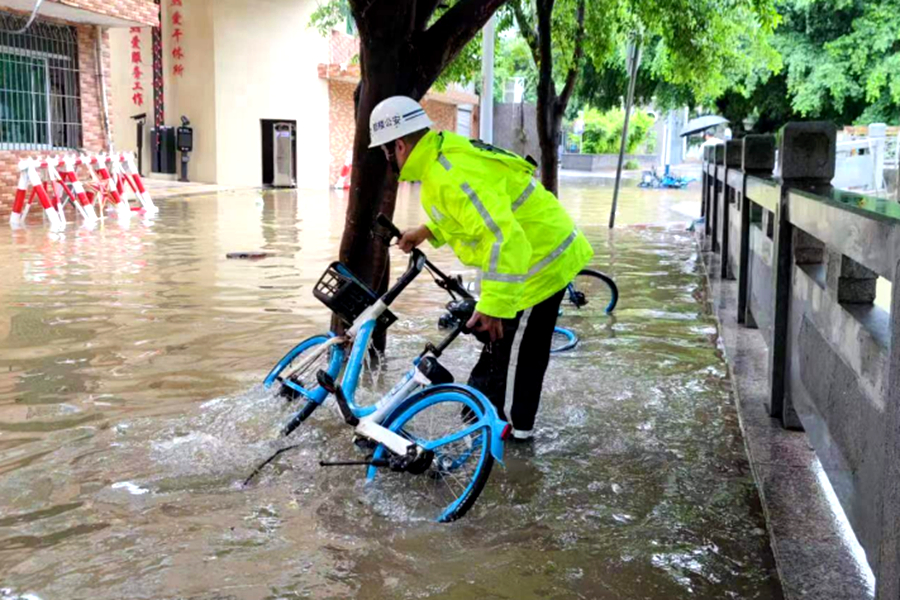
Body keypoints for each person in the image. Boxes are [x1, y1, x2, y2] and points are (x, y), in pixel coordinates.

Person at [368, 96, 594, 441]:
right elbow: (467, 217)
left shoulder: (448, 173)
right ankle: (488, 420)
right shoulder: (441, 158)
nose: (388, 162)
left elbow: (505, 240)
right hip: (532, 254)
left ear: (398, 146)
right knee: (500, 348)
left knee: (519, 354)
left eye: (386, 153)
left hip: (541, 260)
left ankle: (517, 442)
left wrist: (493, 306)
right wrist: (424, 232)